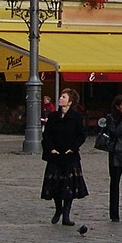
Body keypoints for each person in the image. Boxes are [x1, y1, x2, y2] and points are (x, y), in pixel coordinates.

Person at [40, 87, 88, 226]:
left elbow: (81, 135)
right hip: (55, 155)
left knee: (68, 187)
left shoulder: (75, 116)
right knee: (55, 185)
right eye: (61, 97)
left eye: (64, 97)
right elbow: (46, 134)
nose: (61, 99)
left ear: (70, 101)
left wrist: (72, 148)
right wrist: (50, 148)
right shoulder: (54, 116)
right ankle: (58, 209)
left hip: (69, 156)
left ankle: (66, 215)